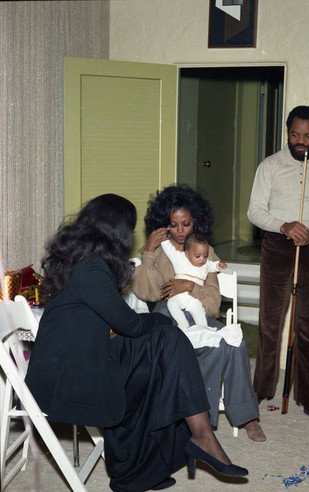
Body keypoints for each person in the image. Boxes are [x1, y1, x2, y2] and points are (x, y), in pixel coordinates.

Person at [25, 194, 248, 492]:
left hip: (82, 362)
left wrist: (160, 323)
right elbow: (128, 323)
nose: (129, 237)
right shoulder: (91, 269)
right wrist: (162, 321)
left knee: (164, 346)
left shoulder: (81, 261)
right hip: (73, 380)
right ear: (115, 230)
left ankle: (145, 469)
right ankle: (199, 437)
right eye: (128, 230)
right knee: (165, 342)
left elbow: (120, 323)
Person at [131, 185, 266, 442]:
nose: (180, 231)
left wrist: (190, 287)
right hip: (166, 316)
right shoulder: (157, 251)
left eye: (186, 224)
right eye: (174, 224)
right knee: (202, 348)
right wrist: (148, 250)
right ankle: (198, 422)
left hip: (201, 314)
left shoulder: (206, 252)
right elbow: (145, 293)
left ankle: (246, 416)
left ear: (196, 222)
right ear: (164, 224)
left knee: (235, 344)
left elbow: (214, 304)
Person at [247, 105, 309, 417]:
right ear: (287, 132)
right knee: (270, 324)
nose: (300, 141)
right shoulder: (270, 166)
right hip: (277, 246)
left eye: (308, 135)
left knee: (306, 325)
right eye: (295, 134)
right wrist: (284, 226)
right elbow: (255, 210)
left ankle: (306, 395)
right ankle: (260, 390)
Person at [161, 232, 227, 329]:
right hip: (178, 295)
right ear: (187, 254)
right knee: (171, 305)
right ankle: (183, 323)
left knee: (199, 313)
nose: (202, 260)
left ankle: (204, 329)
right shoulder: (180, 258)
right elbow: (169, 250)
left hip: (194, 297)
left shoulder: (206, 264)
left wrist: (218, 265)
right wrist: (164, 240)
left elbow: (212, 266)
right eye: (197, 256)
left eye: (205, 256)